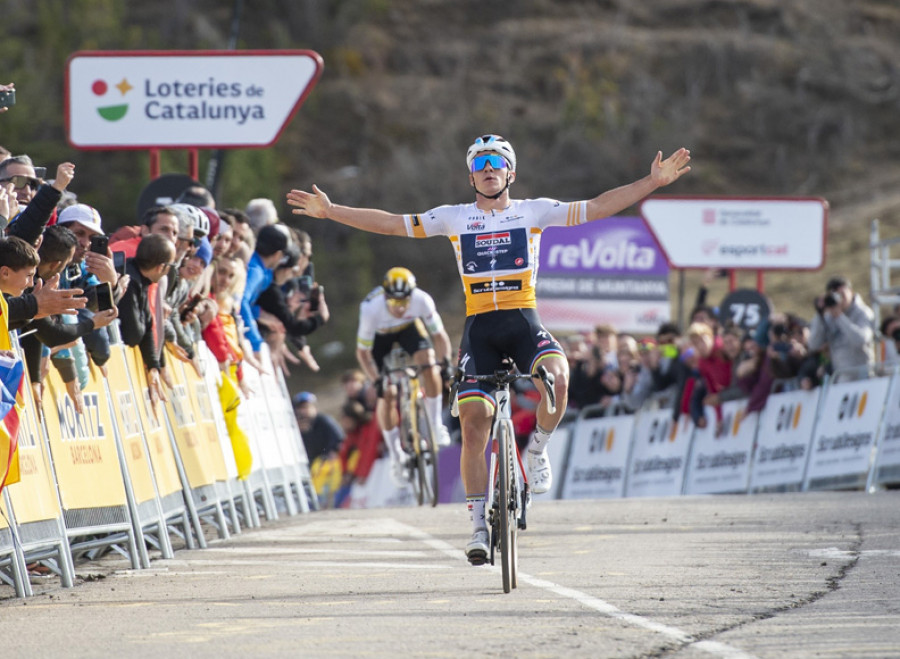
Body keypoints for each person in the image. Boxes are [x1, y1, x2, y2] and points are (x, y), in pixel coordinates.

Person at [287, 133, 691, 563]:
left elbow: (596, 207)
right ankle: (478, 524)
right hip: (479, 328)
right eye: (480, 163)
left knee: (555, 376)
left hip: (522, 320)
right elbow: (390, 222)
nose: (488, 169)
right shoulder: (454, 218)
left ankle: (535, 451)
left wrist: (649, 184)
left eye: (497, 161)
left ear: (511, 172)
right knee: (475, 423)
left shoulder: (534, 211)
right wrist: (331, 212)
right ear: (470, 176)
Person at [354, 267, 453, 487]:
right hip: (380, 338)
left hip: (410, 329)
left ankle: (436, 425)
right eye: (394, 303)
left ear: (411, 296)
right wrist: (376, 379)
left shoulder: (422, 300)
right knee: (387, 393)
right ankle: (396, 455)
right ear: (385, 296)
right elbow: (362, 353)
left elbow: (440, 336)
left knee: (429, 363)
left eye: (404, 303)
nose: (399, 308)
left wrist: (444, 364)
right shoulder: (371, 309)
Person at [117, 234, 177, 408]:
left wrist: (153, 367)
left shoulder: (140, 278)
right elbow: (133, 335)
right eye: (170, 266)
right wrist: (145, 323)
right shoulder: (130, 281)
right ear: (161, 267)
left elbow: (148, 324)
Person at [808, 275, 875, 382]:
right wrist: (820, 314)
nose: (839, 299)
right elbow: (813, 345)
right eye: (836, 295)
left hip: (863, 376)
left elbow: (861, 340)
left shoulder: (863, 312)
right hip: (841, 378)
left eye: (842, 294)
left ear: (851, 291)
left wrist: (839, 317)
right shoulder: (829, 316)